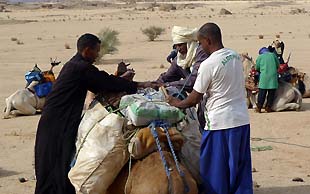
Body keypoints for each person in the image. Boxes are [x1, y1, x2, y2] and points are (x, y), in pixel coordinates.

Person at [34, 33, 155, 194]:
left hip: (58, 118)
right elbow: (104, 82)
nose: (98, 54)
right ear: (86, 50)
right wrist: (141, 84)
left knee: (58, 160)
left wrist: (121, 79)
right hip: (58, 121)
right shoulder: (80, 67)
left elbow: (101, 82)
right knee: (54, 161)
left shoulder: (75, 64)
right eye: (96, 51)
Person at [167, 23, 253, 194]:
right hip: (242, 121)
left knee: (215, 170)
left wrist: (176, 103)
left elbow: (194, 98)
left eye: (200, 43)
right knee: (239, 168)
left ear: (208, 40)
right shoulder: (235, 56)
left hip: (220, 124)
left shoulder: (209, 64)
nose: (199, 47)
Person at [157, 26, 209, 128]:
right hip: (197, 98)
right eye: (176, 46)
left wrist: (167, 85)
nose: (178, 49)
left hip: (210, 97)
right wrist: (153, 85)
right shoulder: (179, 59)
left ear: (188, 43)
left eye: (180, 45)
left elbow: (193, 81)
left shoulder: (201, 53)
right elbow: (167, 77)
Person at [255, 48, 280, 113]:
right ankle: (268, 107)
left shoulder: (260, 57)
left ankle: (259, 107)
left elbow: (257, 67)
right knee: (271, 93)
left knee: (262, 93)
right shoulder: (273, 55)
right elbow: (278, 65)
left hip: (264, 77)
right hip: (273, 77)